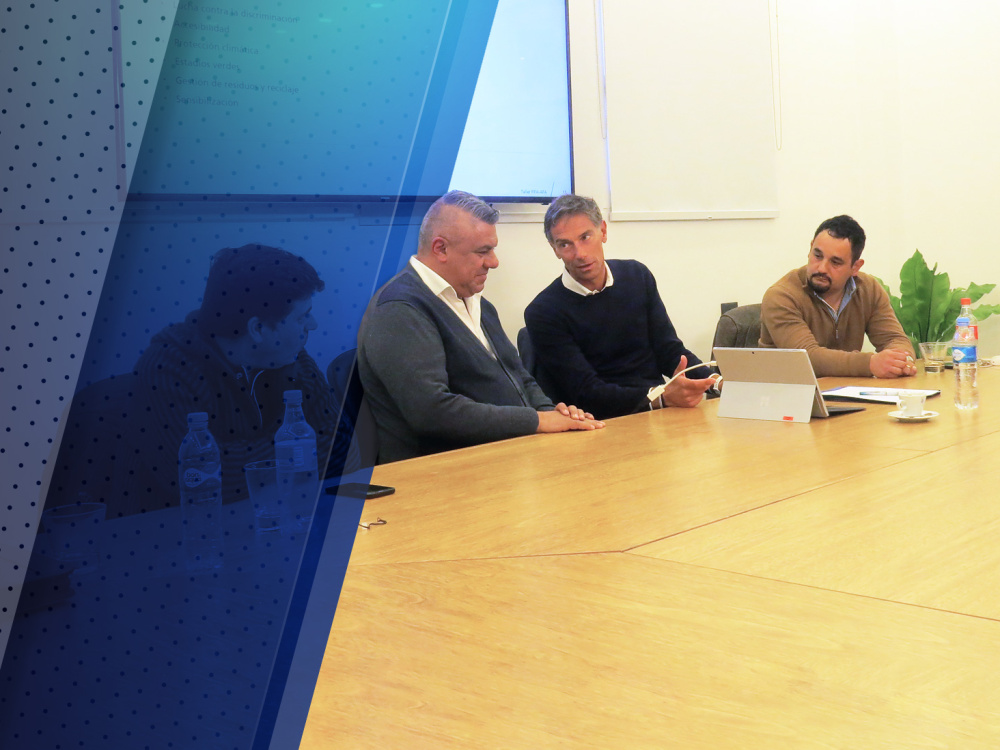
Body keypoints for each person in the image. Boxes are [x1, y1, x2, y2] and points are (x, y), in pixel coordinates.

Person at [357, 190, 604, 463]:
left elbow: (520, 377)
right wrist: (538, 421)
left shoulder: (477, 302)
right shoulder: (399, 309)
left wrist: (554, 414)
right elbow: (431, 412)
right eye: (483, 251)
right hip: (444, 471)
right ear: (441, 248)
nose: (494, 262)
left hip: (509, 455)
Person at [132, 243, 355, 508]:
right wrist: (298, 444)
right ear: (258, 329)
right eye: (301, 317)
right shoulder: (166, 370)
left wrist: (249, 457)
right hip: (197, 528)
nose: (313, 325)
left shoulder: (287, 355)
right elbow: (198, 477)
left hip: (286, 515)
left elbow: (342, 447)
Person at [524, 194, 718, 419]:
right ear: (554, 248)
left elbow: (669, 351)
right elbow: (586, 392)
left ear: (603, 231)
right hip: (600, 422)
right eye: (565, 244)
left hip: (658, 411)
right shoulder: (543, 311)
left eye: (585, 237)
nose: (580, 254)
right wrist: (661, 398)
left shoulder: (637, 276)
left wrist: (716, 382)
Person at [759, 215, 916, 378]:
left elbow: (894, 339)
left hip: (844, 389)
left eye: (835, 262)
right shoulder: (781, 296)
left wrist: (901, 360)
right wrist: (870, 363)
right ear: (810, 248)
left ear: (855, 267)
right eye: (818, 255)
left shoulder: (868, 289)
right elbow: (806, 357)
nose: (822, 268)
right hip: (787, 389)